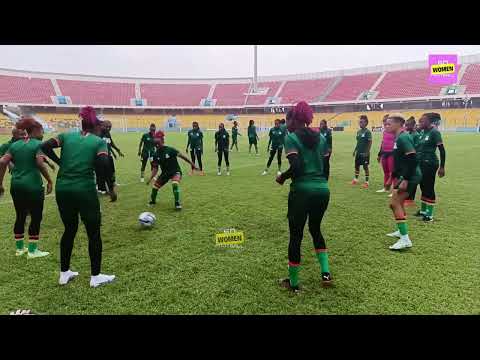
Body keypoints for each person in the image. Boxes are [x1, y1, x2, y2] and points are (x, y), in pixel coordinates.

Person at [41, 106, 117, 288]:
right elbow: (104, 163)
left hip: (63, 189)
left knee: (69, 229)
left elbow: (44, 146)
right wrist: (110, 188)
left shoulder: (66, 136)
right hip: (84, 190)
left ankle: (64, 273)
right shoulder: (99, 142)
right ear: (96, 126)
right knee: (93, 233)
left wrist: (60, 162)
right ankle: (95, 276)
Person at [276, 101, 332, 293]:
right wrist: (320, 184)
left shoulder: (291, 138)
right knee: (315, 229)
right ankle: (325, 273)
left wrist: (282, 177)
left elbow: (297, 167)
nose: (286, 123)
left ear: (294, 119)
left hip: (302, 191)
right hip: (323, 190)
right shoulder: (322, 138)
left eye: (287, 119)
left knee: (296, 236)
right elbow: (326, 169)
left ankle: (293, 284)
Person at [0, 117, 53, 258]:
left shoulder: (15, 145)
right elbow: (40, 163)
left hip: (16, 185)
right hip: (33, 186)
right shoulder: (38, 144)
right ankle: (32, 250)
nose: (43, 133)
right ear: (35, 130)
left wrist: (0, 183)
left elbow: (2, 161)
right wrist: (49, 180)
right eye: (42, 130)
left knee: (20, 216)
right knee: (36, 217)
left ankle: (19, 249)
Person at [385, 114, 422, 250]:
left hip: (410, 176)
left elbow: (413, 159)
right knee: (396, 203)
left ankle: (405, 239)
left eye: (389, 124)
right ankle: (401, 232)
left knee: (394, 203)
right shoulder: (399, 137)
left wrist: (406, 179)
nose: (386, 126)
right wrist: (391, 178)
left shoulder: (404, 138)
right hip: (404, 175)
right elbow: (400, 161)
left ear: (399, 124)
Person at [147, 131, 197, 209]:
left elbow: (182, 156)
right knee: (155, 188)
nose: (157, 145)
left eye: (158, 142)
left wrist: (192, 164)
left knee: (174, 184)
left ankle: (177, 203)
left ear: (162, 141)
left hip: (175, 171)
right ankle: (153, 201)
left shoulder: (170, 150)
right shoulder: (155, 155)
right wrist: (150, 178)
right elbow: (155, 168)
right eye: (156, 144)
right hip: (165, 173)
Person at [414, 113, 446, 222]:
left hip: (430, 163)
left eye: (422, 121)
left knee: (429, 187)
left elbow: (442, 150)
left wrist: (442, 167)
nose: (420, 123)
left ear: (429, 121)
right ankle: (423, 211)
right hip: (421, 163)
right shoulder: (423, 132)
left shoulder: (434, 132)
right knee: (422, 186)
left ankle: (430, 215)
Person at [97, 120, 124, 193]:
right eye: (107, 127)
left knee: (112, 171)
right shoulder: (99, 134)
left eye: (110, 127)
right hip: (101, 157)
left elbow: (110, 143)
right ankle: (101, 188)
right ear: (103, 126)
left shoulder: (108, 133)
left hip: (109, 156)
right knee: (102, 173)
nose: (109, 129)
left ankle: (113, 182)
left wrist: (117, 151)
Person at [352, 115, 372, 188]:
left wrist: (367, 152)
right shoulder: (358, 132)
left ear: (366, 123)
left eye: (361, 122)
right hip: (358, 153)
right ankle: (355, 179)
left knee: (365, 167)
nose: (360, 123)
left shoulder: (368, 132)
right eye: (359, 122)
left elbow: (370, 142)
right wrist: (355, 150)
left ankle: (367, 182)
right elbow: (358, 142)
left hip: (364, 153)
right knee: (356, 166)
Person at [376, 114, 395, 194]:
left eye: (386, 121)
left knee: (393, 173)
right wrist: (379, 154)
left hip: (392, 154)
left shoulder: (395, 131)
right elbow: (383, 143)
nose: (384, 123)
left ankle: (394, 190)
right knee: (386, 172)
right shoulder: (384, 132)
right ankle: (386, 188)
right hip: (384, 154)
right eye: (383, 121)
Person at [404, 116, 420, 206]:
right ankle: (408, 197)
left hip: (413, 160)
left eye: (408, 125)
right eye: (405, 125)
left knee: (412, 179)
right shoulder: (408, 134)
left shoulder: (416, 135)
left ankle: (410, 199)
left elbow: (416, 149)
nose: (406, 126)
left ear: (413, 125)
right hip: (407, 159)